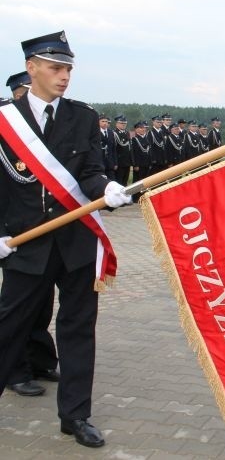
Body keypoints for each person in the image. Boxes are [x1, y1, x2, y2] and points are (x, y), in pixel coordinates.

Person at [0, 30, 132, 448]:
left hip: (76, 245)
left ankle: (76, 416)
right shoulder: (5, 120)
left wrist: (105, 190)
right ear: (31, 67)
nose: (64, 77)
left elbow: (91, 171)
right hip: (26, 244)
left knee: (78, 331)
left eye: (69, 69)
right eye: (56, 68)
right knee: (8, 329)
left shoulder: (83, 117)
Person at [3, 70, 60, 397]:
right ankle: (15, 370)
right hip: (16, 236)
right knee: (16, 310)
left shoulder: (49, 127)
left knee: (41, 306)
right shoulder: (7, 129)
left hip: (48, 235)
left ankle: (40, 360)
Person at [112, 115, 132, 185]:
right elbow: (113, 149)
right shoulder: (114, 133)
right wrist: (115, 162)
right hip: (119, 162)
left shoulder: (127, 133)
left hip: (127, 161)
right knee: (119, 182)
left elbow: (129, 148)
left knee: (125, 181)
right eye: (121, 123)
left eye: (125, 123)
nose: (123, 125)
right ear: (117, 124)